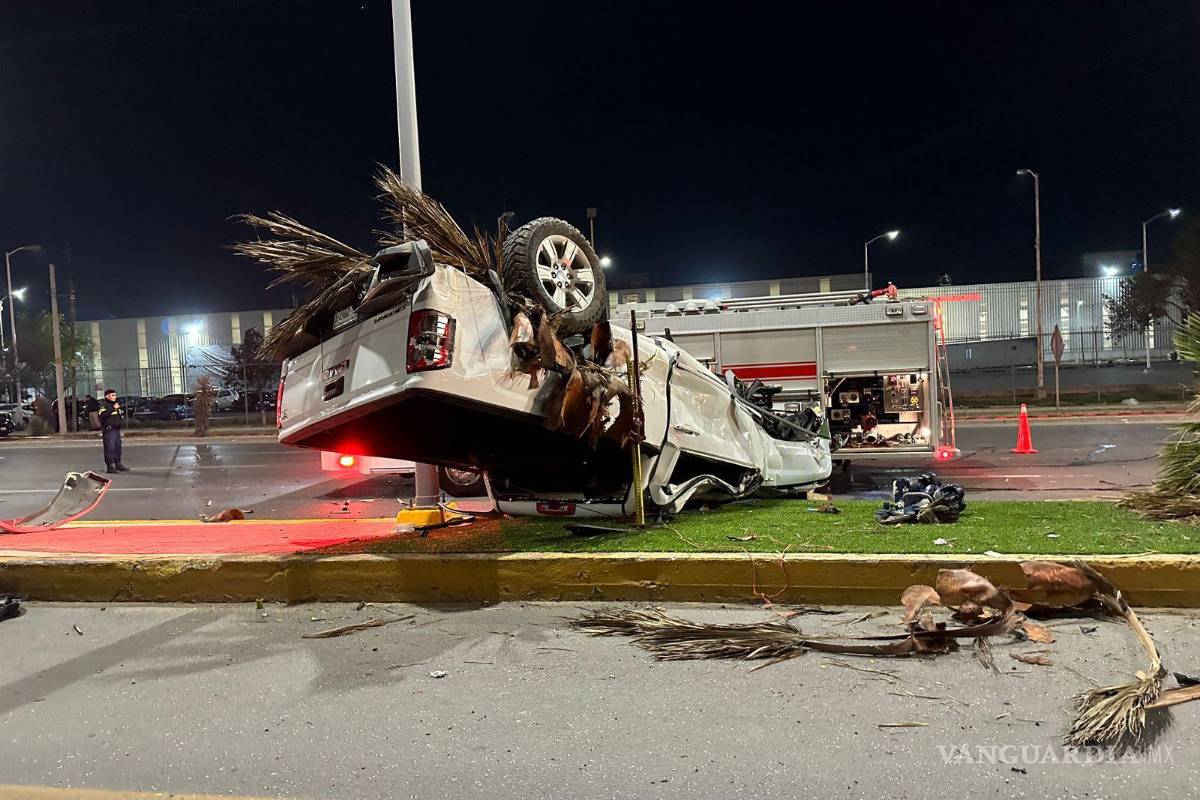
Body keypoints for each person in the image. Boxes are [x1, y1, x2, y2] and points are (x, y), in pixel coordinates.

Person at [98, 389, 129, 473]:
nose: (114, 397)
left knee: (117, 448)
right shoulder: (104, 405)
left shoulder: (115, 405)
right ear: (107, 396)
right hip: (109, 430)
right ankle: (110, 466)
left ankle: (118, 464)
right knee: (110, 448)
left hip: (116, 430)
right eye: (112, 395)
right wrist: (112, 408)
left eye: (115, 395)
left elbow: (118, 416)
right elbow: (103, 416)